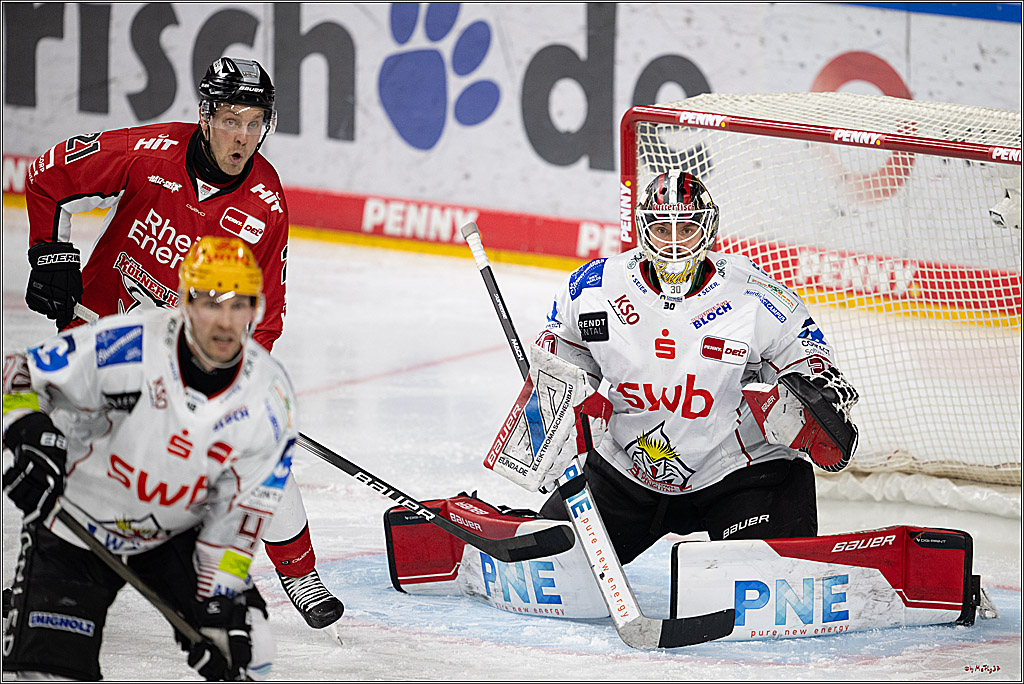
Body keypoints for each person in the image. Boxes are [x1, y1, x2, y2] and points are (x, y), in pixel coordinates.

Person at [19, 56, 343, 629]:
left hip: (180, 358)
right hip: (101, 338)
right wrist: (49, 253)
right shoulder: (149, 154)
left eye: (255, 123)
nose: (242, 136)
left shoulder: (265, 205)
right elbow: (47, 174)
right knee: (70, 457)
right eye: (231, 120)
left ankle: (300, 572)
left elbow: (264, 314)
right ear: (206, 116)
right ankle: (47, 582)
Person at [519, 170, 861, 564]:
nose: (674, 243)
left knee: (765, 575)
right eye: (662, 229)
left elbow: (807, 359)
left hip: (738, 473)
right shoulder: (594, 288)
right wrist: (553, 409)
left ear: (708, 230)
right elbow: (562, 357)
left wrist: (811, 396)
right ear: (643, 230)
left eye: (687, 229)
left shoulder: (756, 294)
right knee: (550, 564)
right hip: (626, 471)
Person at [2, 237, 295, 680]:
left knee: (248, 650)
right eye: (210, 302)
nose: (225, 321)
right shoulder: (130, 344)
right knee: (47, 674)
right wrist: (28, 433)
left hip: (174, 531)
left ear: (256, 309)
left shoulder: (270, 398)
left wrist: (217, 600)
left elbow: (243, 517)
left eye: (239, 304)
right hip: (75, 521)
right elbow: (18, 374)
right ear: (184, 302)